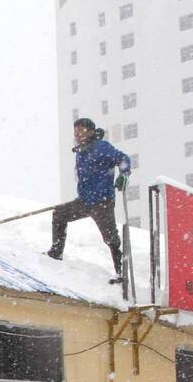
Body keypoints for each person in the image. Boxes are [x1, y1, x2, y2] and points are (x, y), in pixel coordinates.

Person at [47, 119, 132, 283]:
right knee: (60, 214)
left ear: (91, 131)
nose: (77, 134)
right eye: (75, 130)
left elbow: (123, 159)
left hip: (102, 202)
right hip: (84, 202)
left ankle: (121, 273)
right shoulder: (80, 151)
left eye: (81, 130)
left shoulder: (102, 147)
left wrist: (124, 174)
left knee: (110, 238)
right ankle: (56, 252)